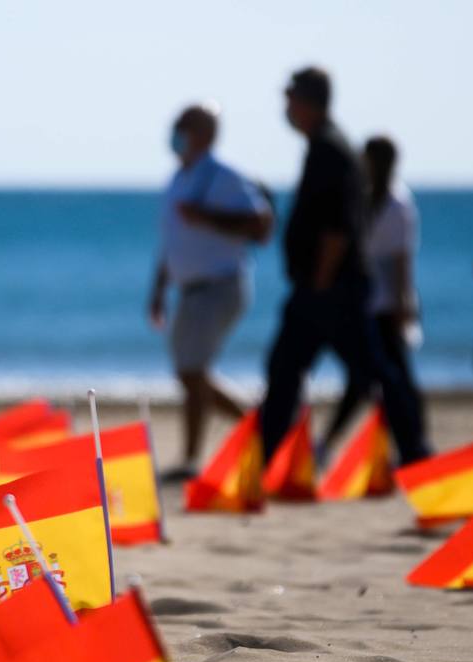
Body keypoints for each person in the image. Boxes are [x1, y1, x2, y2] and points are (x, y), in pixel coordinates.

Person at [258, 67, 429, 468]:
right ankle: (271, 456)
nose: (286, 108)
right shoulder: (325, 146)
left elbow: (338, 226)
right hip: (328, 287)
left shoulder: (330, 150)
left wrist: (320, 280)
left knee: (370, 370)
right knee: (290, 367)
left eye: (291, 99)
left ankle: (415, 450)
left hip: (332, 287)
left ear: (309, 102)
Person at [148, 104, 273, 481]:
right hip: (189, 289)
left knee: (193, 372)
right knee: (189, 374)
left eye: (183, 125)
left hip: (220, 285)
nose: (175, 131)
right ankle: (256, 425)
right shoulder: (179, 177)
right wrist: (158, 290)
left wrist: (206, 217)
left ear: (204, 133)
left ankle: (249, 431)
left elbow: (262, 225)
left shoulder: (224, 175)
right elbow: (172, 242)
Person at [321, 135, 426, 463]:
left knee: (391, 379)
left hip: (385, 304)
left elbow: (401, 261)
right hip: (363, 301)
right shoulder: (362, 198)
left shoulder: (397, 204)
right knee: (372, 379)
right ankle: (410, 444)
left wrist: (403, 303)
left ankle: (412, 445)